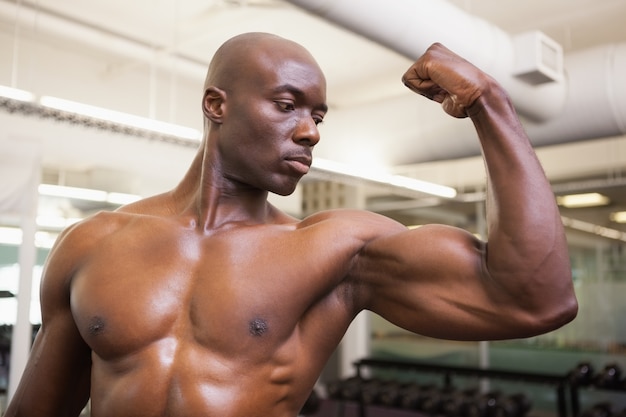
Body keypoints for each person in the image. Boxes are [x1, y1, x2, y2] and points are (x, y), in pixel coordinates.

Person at [5, 32, 577, 417]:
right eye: (287, 105)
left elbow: (536, 299)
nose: (310, 132)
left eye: (318, 115)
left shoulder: (336, 251)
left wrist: (490, 104)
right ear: (216, 105)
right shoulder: (94, 242)